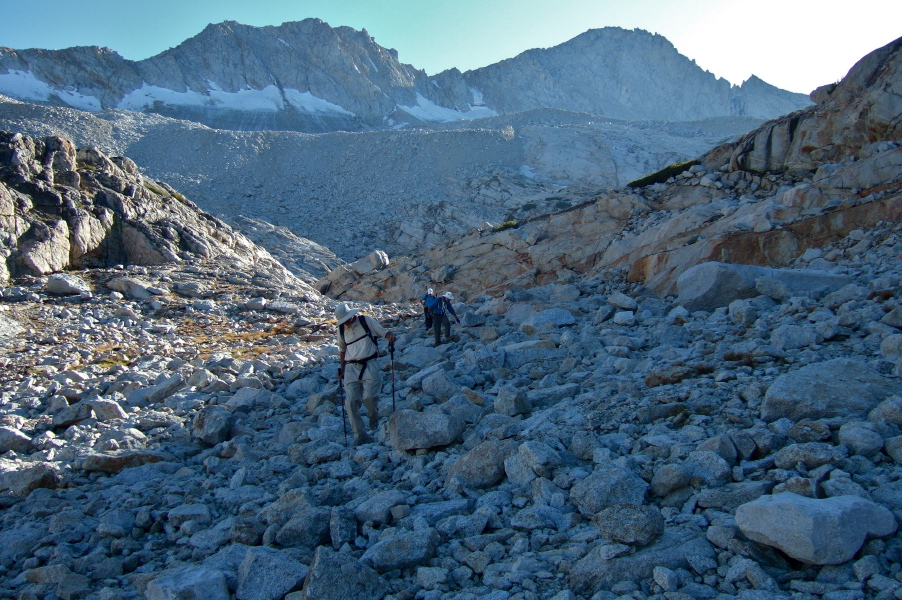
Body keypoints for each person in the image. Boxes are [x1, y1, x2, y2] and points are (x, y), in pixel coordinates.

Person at [335, 303, 397, 445]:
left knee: (369, 397)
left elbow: (382, 332)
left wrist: (390, 336)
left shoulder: (366, 321)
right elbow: (342, 350)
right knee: (350, 402)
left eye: (347, 319)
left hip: (370, 363)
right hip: (351, 367)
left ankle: (372, 416)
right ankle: (360, 435)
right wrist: (342, 369)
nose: (346, 322)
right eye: (343, 321)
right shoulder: (341, 330)